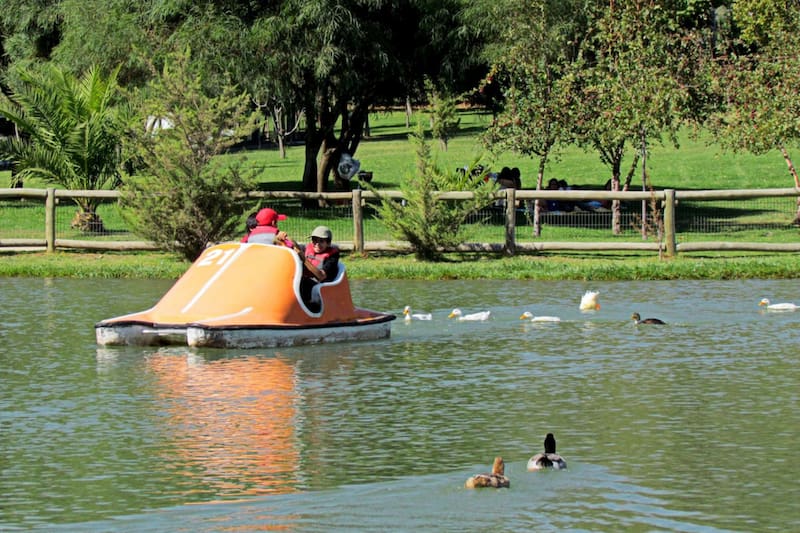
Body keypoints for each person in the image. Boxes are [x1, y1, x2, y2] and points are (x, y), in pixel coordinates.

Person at [298, 226, 340, 311]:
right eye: (314, 240)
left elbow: (321, 276)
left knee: (303, 283)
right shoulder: (306, 249)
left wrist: (304, 259)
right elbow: (293, 246)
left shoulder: (332, 257)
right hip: (306, 283)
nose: (317, 244)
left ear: (328, 243)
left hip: (321, 288)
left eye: (321, 241)